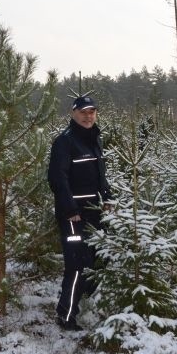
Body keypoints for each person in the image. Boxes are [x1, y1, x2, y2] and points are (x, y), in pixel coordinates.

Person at [48, 95, 113, 331]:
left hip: (95, 211)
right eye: (84, 112)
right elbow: (58, 178)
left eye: (92, 112)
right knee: (76, 264)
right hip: (74, 215)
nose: (88, 116)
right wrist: (69, 209)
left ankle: (83, 301)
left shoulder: (94, 139)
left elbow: (99, 174)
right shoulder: (65, 142)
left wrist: (107, 198)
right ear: (73, 114)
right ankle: (65, 316)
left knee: (95, 259)